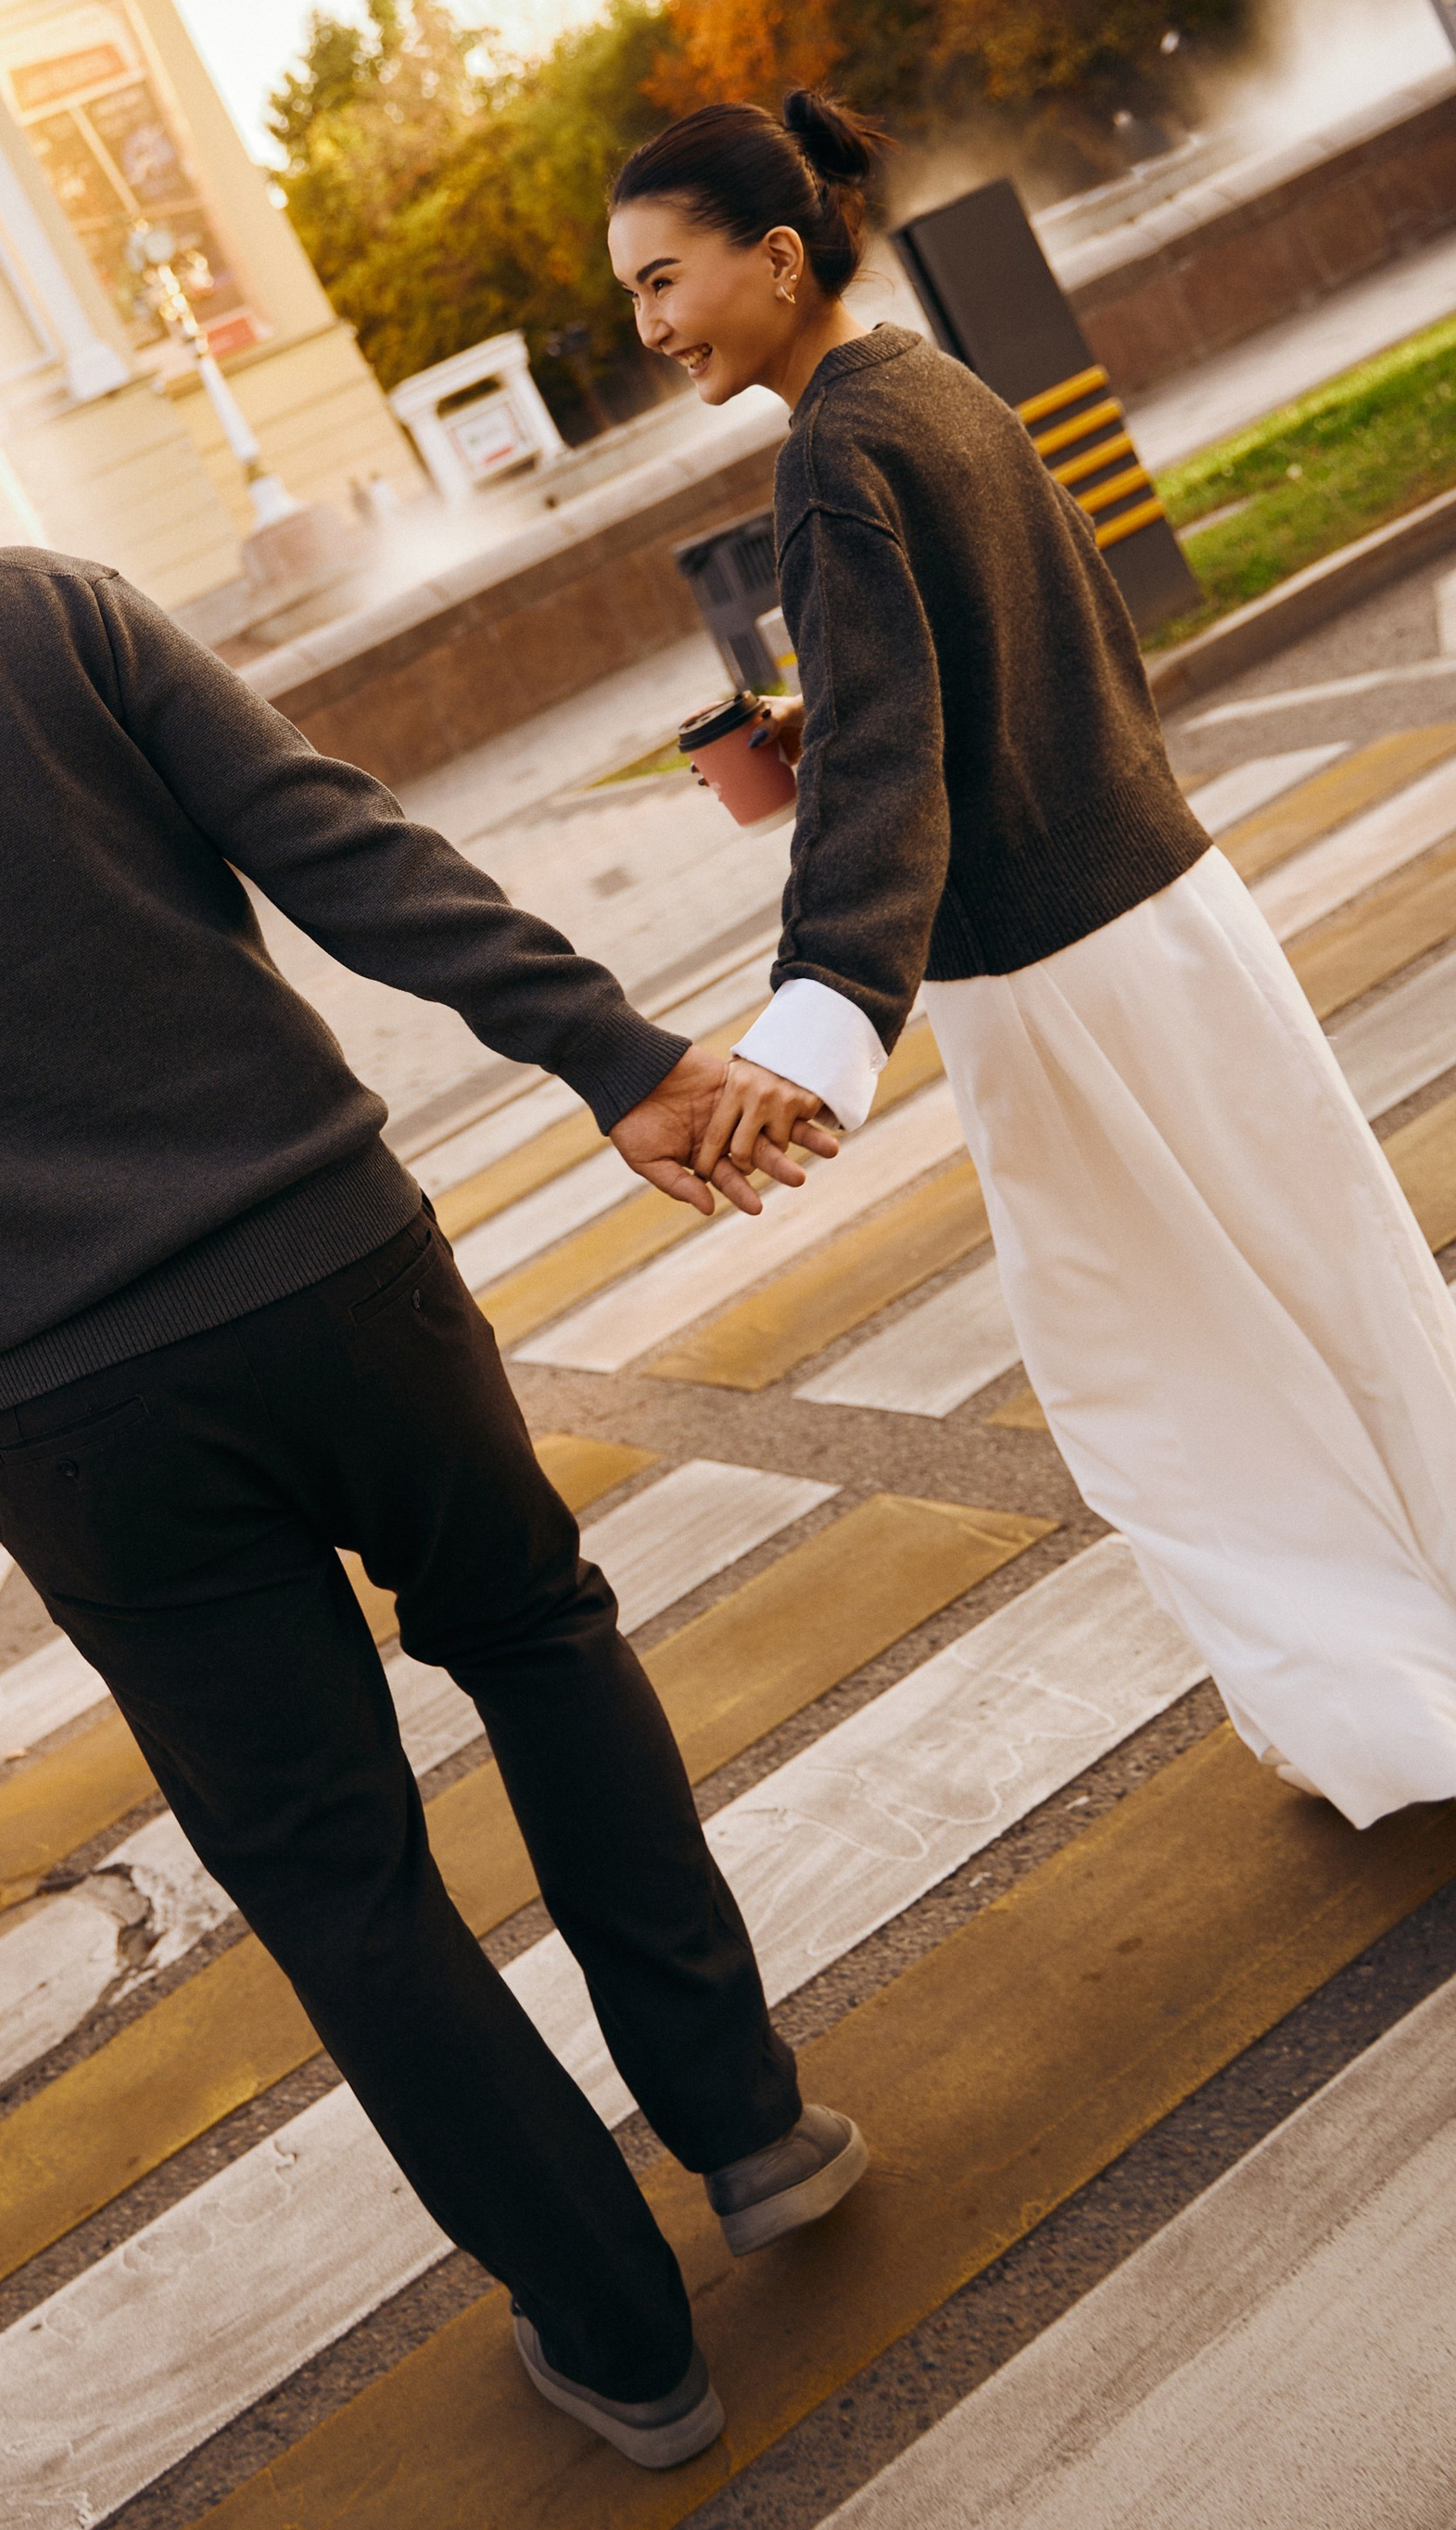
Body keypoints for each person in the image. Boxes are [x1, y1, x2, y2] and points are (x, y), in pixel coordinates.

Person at [0, 321, 867, 2472]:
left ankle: (621, 2347)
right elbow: (341, 853)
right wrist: (616, 1059)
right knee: (536, 1644)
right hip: (331, 1276)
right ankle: (747, 2132)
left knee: (333, 1876)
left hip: (68, 1418)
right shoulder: (32, 614)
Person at [607, 90, 1456, 1827]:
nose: (650, 326)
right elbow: (1027, 642)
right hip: (1170, 913)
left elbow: (888, 766)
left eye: (664, 279)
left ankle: (1384, 1712)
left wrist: (816, 1023)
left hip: (1058, 983)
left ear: (779, 258)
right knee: (1338, 1291)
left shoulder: (829, 461)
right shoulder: (927, 386)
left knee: (1158, 1379)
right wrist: (840, 717)